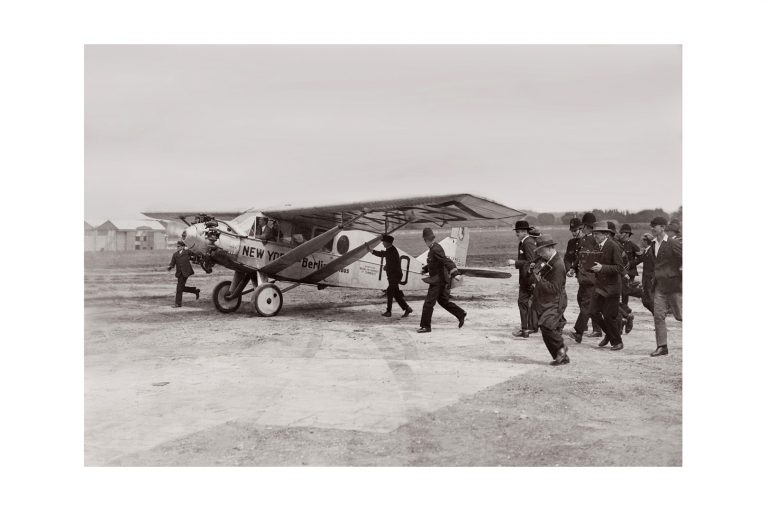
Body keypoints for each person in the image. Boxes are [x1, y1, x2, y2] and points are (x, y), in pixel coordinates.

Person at [417, 228, 466, 333]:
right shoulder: (433, 249)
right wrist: (425, 269)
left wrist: (455, 273)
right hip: (440, 280)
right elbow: (434, 262)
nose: (426, 241)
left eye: (426, 240)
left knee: (428, 303)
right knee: (443, 301)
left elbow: (445, 261)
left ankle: (426, 326)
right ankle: (460, 313)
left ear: (426, 240)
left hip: (438, 281)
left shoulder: (435, 249)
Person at [530, 234, 569, 366]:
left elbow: (554, 289)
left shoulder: (558, 265)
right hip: (546, 300)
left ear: (550, 248)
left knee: (546, 325)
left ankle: (561, 347)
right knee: (545, 327)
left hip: (556, 300)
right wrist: (533, 267)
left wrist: (539, 280)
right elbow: (537, 265)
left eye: (541, 250)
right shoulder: (546, 259)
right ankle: (561, 356)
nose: (540, 254)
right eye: (538, 251)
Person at [588, 221, 625, 351]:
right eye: (594, 234)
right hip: (600, 287)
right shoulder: (597, 246)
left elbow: (620, 268)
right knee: (593, 312)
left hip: (612, 287)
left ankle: (617, 342)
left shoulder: (613, 246)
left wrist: (602, 268)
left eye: (597, 234)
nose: (595, 236)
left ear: (605, 234)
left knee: (609, 316)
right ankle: (610, 335)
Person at [648, 216, 683, 357]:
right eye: (651, 226)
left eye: (654, 226)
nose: (652, 228)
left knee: (680, 316)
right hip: (659, 286)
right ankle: (662, 346)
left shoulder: (673, 243)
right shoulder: (653, 244)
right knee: (658, 316)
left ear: (663, 227)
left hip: (673, 286)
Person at [568, 212, 603, 343]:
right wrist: (573, 267)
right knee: (587, 303)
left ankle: (579, 332)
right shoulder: (584, 239)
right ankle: (600, 328)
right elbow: (580, 256)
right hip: (583, 277)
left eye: (583, 226)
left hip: (591, 278)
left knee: (586, 304)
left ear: (587, 226)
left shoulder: (595, 239)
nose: (582, 228)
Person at [367, 235, 413, 318]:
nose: (383, 243)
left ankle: (389, 311)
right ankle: (407, 308)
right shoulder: (391, 250)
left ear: (388, 243)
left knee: (389, 291)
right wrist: (387, 265)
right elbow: (391, 261)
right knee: (396, 294)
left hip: (395, 276)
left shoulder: (391, 251)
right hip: (394, 275)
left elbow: (382, 254)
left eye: (384, 242)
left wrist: (371, 251)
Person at [509, 220, 537, 338]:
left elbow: (532, 261)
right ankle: (527, 329)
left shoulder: (527, 243)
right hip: (526, 278)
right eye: (517, 231)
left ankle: (527, 329)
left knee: (524, 302)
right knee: (529, 303)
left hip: (529, 278)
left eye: (518, 232)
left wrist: (515, 263)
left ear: (524, 232)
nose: (517, 234)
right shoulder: (523, 242)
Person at [616, 223, 644, 333]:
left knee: (625, 295)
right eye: (621, 232)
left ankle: (626, 319)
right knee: (618, 296)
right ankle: (624, 317)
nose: (622, 234)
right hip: (619, 273)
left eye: (624, 233)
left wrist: (631, 264)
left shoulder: (632, 245)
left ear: (628, 234)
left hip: (629, 273)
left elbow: (641, 257)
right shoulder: (616, 244)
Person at [167, 240, 200, 307]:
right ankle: (195, 290)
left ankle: (178, 304)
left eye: (178, 246)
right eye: (177, 246)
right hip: (179, 273)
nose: (177, 247)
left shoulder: (187, 252)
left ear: (182, 247)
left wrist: (194, 257)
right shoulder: (175, 255)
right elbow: (172, 263)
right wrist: (170, 267)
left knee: (179, 288)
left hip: (186, 272)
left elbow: (195, 254)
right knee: (181, 288)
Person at [637, 232, 656, 313]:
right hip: (646, 280)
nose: (641, 242)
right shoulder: (647, 251)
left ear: (645, 241)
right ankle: (657, 314)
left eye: (642, 241)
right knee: (646, 301)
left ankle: (658, 315)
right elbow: (639, 260)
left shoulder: (651, 252)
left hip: (650, 280)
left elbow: (655, 266)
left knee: (649, 300)